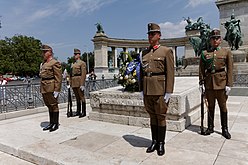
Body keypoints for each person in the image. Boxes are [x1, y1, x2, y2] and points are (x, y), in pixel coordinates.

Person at [139, 23, 175, 156]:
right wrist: (141, 88)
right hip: (148, 89)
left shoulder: (166, 51)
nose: (150, 36)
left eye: (152, 34)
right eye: (149, 34)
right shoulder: (144, 52)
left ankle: (161, 143)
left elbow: (170, 72)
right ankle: (154, 141)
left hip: (160, 89)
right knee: (152, 116)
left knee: (161, 117)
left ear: (159, 36)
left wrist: (169, 91)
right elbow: (141, 73)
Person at [199, 29, 233, 139]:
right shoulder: (205, 53)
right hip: (209, 84)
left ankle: (225, 129)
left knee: (223, 107)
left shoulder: (226, 52)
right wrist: (201, 83)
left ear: (220, 39)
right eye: (213, 38)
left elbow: (230, 68)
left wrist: (229, 84)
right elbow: (201, 69)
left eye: (217, 38)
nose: (215, 40)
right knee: (210, 107)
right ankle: (210, 127)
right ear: (210, 40)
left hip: (221, 83)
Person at [39, 44, 62, 132]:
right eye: (43, 52)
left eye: (45, 52)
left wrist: (57, 90)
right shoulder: (44, 63)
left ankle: (55, 124)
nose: (43, 53)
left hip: (51, 86)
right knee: (49, 105)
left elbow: (58, 77)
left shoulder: (55, 62)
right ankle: (51, 123)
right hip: (44, 86)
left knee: (54, 105)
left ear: (50, 52)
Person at [69, 48, 87, 118]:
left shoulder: (82, 63)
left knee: (81, 96)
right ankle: (78, 111)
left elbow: (83, 74)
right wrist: (70, 82)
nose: (75, 55)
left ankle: (83, 111)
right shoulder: (73, 64)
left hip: (79, 80)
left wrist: (82, 84)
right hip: (74, 81)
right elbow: (71, 74)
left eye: (76, 54)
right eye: (74, 54)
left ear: (79, 55)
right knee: (76, 97)